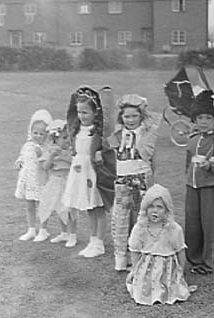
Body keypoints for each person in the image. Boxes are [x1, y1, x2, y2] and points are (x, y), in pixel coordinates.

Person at [107, 94, 160, 271]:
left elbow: (150, 156)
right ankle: (121, 257)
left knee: (142, 216)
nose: (130, 120)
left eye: (134, 116)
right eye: (126, 116)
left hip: (141, 178)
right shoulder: (118, 134)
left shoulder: (146, 132)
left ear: (141, 116)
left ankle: (142, 254)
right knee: (120, 218)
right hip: (122, 180)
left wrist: (141, 106)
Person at [62, 86, 115, 258]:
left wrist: (100, 152)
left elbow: (110, 145)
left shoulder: (99, 133)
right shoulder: (76, 129)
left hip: (93, 174)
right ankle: (92, 240)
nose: (81, 116)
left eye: (85, 112)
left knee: (98, 208)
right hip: (79, 173)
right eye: (79, 112)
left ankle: (99, 243)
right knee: (89, 208)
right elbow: (70, 115)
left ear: (95, 113)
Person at [126, 184, 197, 305]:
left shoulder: (174, 229)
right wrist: (134, 270)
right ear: (145, 209)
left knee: (172, 286)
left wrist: (181, 272)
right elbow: (135, 250)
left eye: (159, 207)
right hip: (146, 268)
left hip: (168, 269)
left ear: (166, 210)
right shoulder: (140, 228)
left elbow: (180, 251)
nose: (155, 211)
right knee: (143, 285)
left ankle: (168, 289)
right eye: (151, 207)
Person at [185, 90, 214, 274]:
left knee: (209, 224)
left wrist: (212, 165)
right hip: (192, 186)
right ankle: (194, 258)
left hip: (211, 187)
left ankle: (207, 262)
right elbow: (188, 163)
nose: (203, 121)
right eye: (200, 117)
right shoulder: (192, 139)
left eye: (208, 118)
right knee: (193, 223)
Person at [34, 120, 78, 247]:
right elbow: (46, 167)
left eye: (68, 137)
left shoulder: (71, 151)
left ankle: (72, 234)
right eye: (63, 138)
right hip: (54, 181)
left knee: (69, 209)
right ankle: (64, 232)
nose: (67, 140)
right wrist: (52, 156)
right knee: (58, 207)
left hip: (67, 180)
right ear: (55, 139)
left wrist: (64, 156)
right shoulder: (50, 150)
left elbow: (74, 164)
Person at [14, 109, 53, 241]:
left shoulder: (46, 147)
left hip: (40, 180)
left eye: (41, 134)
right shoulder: (27, 145)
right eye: (35, 133)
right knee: (29, 205)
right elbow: (23, 156)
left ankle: (43, 229)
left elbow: (47, 162)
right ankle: (31, 229)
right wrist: (19, 162)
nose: (37, 136)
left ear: (47, 135)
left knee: (42, 205)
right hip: (28, 180)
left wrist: (40, 154)